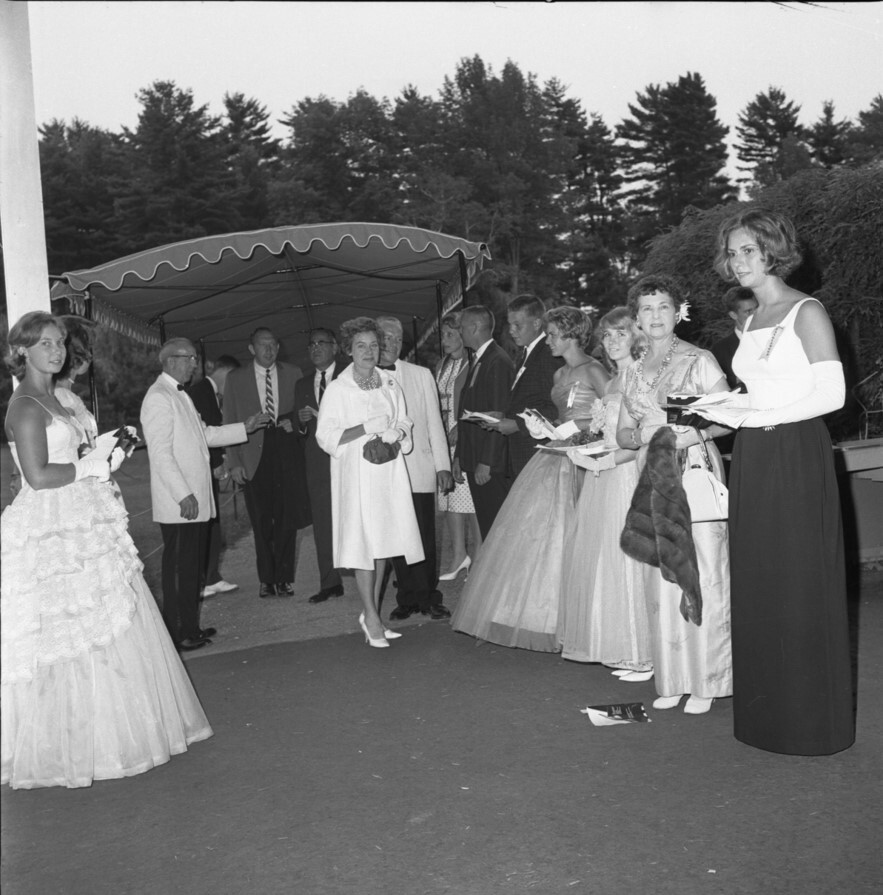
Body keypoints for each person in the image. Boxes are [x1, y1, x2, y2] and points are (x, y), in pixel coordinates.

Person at [2, 312, 211, 789]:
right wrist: (94, 468)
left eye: (59, 343)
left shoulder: (62, 397)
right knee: (67, 624)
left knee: (112, 613)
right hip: (52, 522)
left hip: (85, 512)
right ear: (21, 353)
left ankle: (117, 730)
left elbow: (75, 454)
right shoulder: (24, 406)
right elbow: (37, 476)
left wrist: (106, 451)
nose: (56, 351)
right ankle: (67, 744)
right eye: (44, 345)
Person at [700, 209, 853, 755]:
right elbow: (759, 393)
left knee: (797, 579)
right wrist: (715, 411)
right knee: (760, 578)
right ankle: (767, 718)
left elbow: (830, 396)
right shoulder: (750, 320)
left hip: (794, 451)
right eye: (732, 251)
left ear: (772, 250)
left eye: (748, 249)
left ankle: (810, 724)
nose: (737, 260)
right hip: (757, 452)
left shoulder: (805, 311)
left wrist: (751, 416)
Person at [451, 306, 609, 651]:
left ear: (570, 335)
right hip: (554, 452)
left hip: (583, 454)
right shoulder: (558, 374)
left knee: (575, 533)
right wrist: (544, 428)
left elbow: (612, 411)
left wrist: (581, 431)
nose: (548, 339)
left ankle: (585, 618)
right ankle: (542, 616)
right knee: (542, 535)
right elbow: (556, 413)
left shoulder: (594, 369)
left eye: (553, 334)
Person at [615, 274, 733, 715]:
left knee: (703, 571)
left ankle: (707, 678)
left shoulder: (699, 360)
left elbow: (729, 419)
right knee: (663, 574)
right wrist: (634, 437)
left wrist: (689, 436)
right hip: (654, 478)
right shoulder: (631, 369)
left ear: (679, 310)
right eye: (647, 308)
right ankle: (673, 677)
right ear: (637, 317)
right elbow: (625, 431)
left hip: (695, 471)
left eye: (663, 306)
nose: (655, 315)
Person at [141, 338, 269, 651]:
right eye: (190, 359)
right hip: (181, 502)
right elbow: (160, 454)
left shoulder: (178, 395)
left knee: (191, 567)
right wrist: (183, 494)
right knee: (180, 568)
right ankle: (178, 631)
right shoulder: (159, 397)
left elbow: (206, 435)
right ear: (172, 360)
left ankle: (189, 626)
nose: (195, 365)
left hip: (193, 498)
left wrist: (245, 427)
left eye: (195, 359)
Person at [316, 317, 423, 648]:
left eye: (374, 345)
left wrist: (398, 432)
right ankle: (372, 617)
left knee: (383, 545)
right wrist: (364, 427)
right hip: (358, 477)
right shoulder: (338, 389)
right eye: (361, 346)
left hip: (388, 473)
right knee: (365, 546)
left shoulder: (390, 383)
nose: (369, 351)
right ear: (348, 350)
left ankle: (371, 613)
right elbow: (325, 436)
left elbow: (404, 418)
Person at [562, 308, 652, 677]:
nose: (611, 342)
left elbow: (638, 442)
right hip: (607, 475)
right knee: (610, 561)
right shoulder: (615, 380)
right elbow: (609, 435)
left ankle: (643, 652)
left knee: (631, 561)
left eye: (620, 334)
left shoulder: (642, 378)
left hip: (627, 476)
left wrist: (601, 462)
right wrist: (583, 448)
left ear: (637, 337)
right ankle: (623, 644)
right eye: (607, 335)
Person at [376, 316, 455, 621]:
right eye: (386, 338)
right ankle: (406, 597)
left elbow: (435, 423)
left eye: (397, 339)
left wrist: (442, 466)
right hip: (385, 473)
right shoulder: (364, 377)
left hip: (418, 470)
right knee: (396, 537)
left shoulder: (421, 375)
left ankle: (429, 597)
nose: (392, 345)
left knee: (423, 537)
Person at [223, 327, 310, 599]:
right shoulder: (235, 379)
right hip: (252, 454)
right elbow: (229, 420)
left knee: (286, 517)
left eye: (273, 344)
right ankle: (266, 579)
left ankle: (284, 578)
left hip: (285, 451)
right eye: (263, 345)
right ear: (252, 349)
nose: (269, 350)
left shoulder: (293, 373)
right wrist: (234, 462)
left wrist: (293, 423)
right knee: (261, 520)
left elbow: (302, 413)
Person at [484, 295, 562, 481]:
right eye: (510, 324)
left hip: (537, 453)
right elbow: (527, 400)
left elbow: (556, 407)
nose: (511, 330)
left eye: (517, 325)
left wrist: (517, 425)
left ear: (536, 323)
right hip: (522, 454)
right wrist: (503, 415)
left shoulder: (548, 355)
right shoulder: (525, 353)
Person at [453, 305, 515, 538]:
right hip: (473, 455)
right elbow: (466, 410)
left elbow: (499, 413)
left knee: (495, 527)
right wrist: (460, 454)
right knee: (487, 523)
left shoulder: (497, 361)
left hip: (488, 463)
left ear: (475, 327)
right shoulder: (480, 359)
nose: (459, 331)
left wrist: (487, 462)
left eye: (462, 327)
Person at [295, 328, 345, 604]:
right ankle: (330, 582)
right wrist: (302, 423)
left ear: (335, 347)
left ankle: (371, 578)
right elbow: (299, 433)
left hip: (346, 459)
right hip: (317, 464)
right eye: (311, 344)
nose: (316, 348)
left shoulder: (349, 377)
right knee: (323, 525)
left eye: (321, 343)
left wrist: (324, 416)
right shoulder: (302, 385)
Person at [187, 355, 241, 598]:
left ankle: (211, 576)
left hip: (208, 463)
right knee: (207, 523)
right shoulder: (202, 392)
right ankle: (203, 578)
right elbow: (206, 430)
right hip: (202, 465)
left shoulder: (208, 392)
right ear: (226, 373)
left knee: (214, 521)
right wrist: (218, 462)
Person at [434, 311, 482, 581]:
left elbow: (475, 401)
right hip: (443, 436)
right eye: (443, 335)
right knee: (449, 498)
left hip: (463, 433)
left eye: (451, 334)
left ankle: (479, 556)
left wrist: (459, 427)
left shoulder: (473, 363)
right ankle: (458, 555)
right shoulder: (442, 365)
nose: (446, 339)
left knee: (470, 501)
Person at [710, 286, 758, 391]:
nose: (756, 315)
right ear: (733, 315)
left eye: (757, 308)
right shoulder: (720, 351)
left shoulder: (775, 338)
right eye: (748, 311)